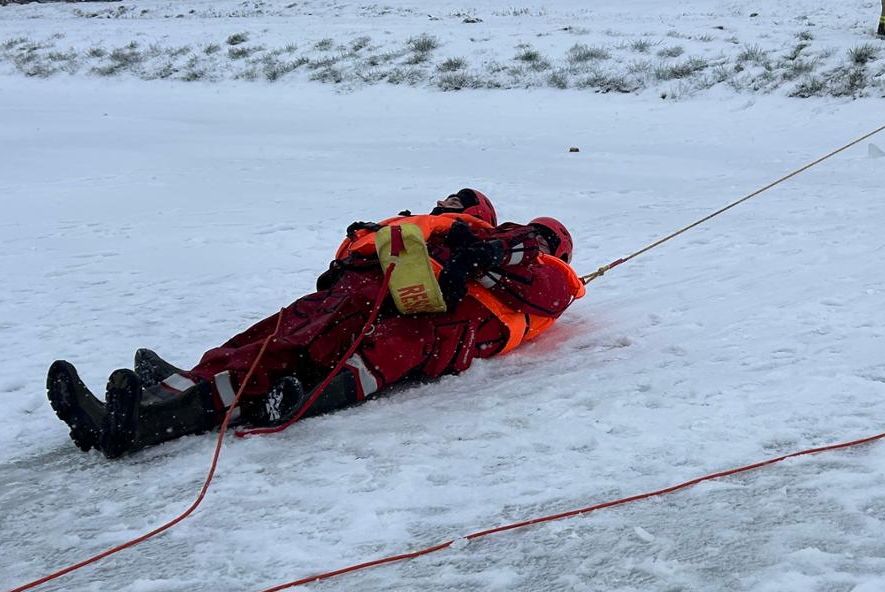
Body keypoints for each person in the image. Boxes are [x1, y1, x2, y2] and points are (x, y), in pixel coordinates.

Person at [45, 189, 586, 458]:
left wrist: (477, 251)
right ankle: (165, 391)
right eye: (456, 199)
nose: (454, 203)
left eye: (467, 203)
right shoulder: (439, 230)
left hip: (400, 321)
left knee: (285, 354)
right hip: (361, 293)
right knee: (260, 339)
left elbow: (506, 267)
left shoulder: (550, 272)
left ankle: (142, 423)